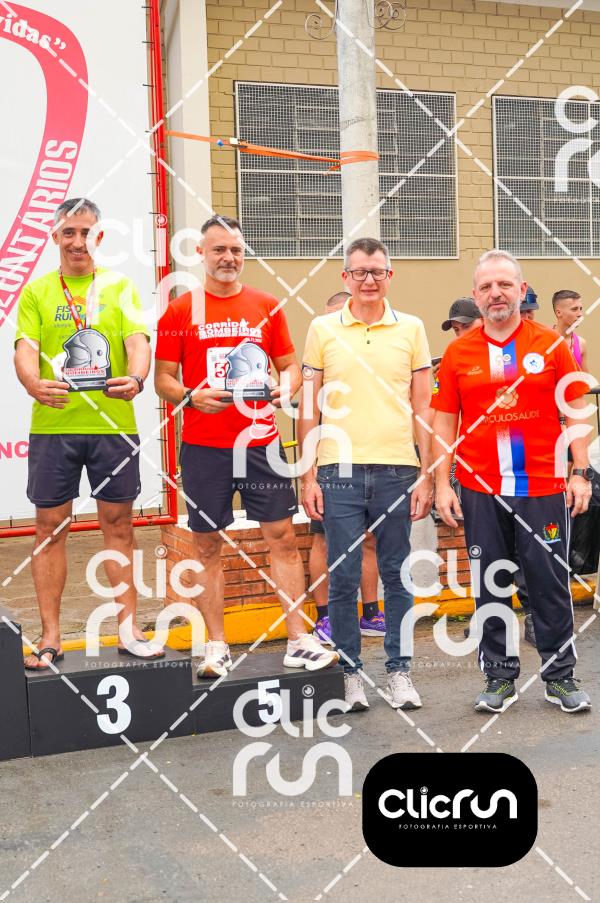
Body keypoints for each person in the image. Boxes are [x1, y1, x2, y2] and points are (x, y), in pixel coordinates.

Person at [154, 214, 338, 678]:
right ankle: (216, 646)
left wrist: (286, 387)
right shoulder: (180, 311)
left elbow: (290, 366)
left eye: (236, 250)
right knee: (207, 544)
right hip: (204, 446)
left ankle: (298, 639)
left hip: (260, 443)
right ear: (201, 253)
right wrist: (190, 397)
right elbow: (163, 380)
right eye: (219, 249)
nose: (229, 258)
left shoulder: (267, 305)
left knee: (282, 538)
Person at [433, 249, 593, 714]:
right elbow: (443, 422)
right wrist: (442, 484)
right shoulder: (458, 352)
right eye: (486, 287)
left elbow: (575, 409)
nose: (495, 293)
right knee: (491, 584)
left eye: (504, 284)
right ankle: (499, 677)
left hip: (543, 486)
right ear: (476, 295)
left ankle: (560, 677)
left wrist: (580, 472)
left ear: (521, 290)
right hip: (481, 489)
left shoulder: (550, 345)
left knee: (548, 581)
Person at [14, 197, 162, 669]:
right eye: (69, 233)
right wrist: (32, 383)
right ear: (55, 236)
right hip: (54, 427)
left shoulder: (120, 287)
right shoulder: (37, 292)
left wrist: (137, 378)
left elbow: (138, 343)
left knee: (119, 528)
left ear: (98, 236)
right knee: (48, 530)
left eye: (86, 233)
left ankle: (128, 630)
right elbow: (25, 348)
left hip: (112, 427)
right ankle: (50, 637)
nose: (78, 242)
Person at [299, 237, 433, 712]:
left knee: (397, 575)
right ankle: (351, 676)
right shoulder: (321, 329)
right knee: (343, 577)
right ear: (346, 277)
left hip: (398, 469)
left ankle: (399, 673)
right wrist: (308, 475)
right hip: (337, 470)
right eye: (359, 272)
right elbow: (309, 407)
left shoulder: (412, 328)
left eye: (377, 271)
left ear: (389, 276)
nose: (369, 280)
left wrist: (427, 473)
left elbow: (423, 407)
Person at [307, 291, 383, 642]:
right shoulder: (320, 359)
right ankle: (325, 619)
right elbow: (306, 417)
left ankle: (371, 613)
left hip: (372, 460)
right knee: (323, 540)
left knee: (369, 539)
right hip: (331, 463)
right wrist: (309, 474)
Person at [552, 289, 589, 371]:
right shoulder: (544, 340)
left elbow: (585, 377)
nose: (580, 314)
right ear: (558, 313)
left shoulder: (581, 343)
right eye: (574, 309)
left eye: (580, 309)